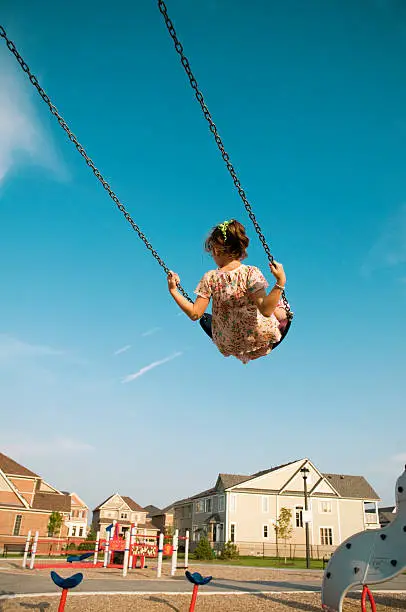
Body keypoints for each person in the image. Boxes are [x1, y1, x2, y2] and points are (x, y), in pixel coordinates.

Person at [167, 219, 288, 364]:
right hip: (260, 337)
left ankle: (228, 331)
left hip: (230, 344)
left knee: (208, 318)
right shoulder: (251, 273)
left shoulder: (210, 278)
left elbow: (195, 314)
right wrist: (280, 282)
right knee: (281, 307)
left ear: (216, 250)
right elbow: (266, 310)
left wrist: (173, 290)